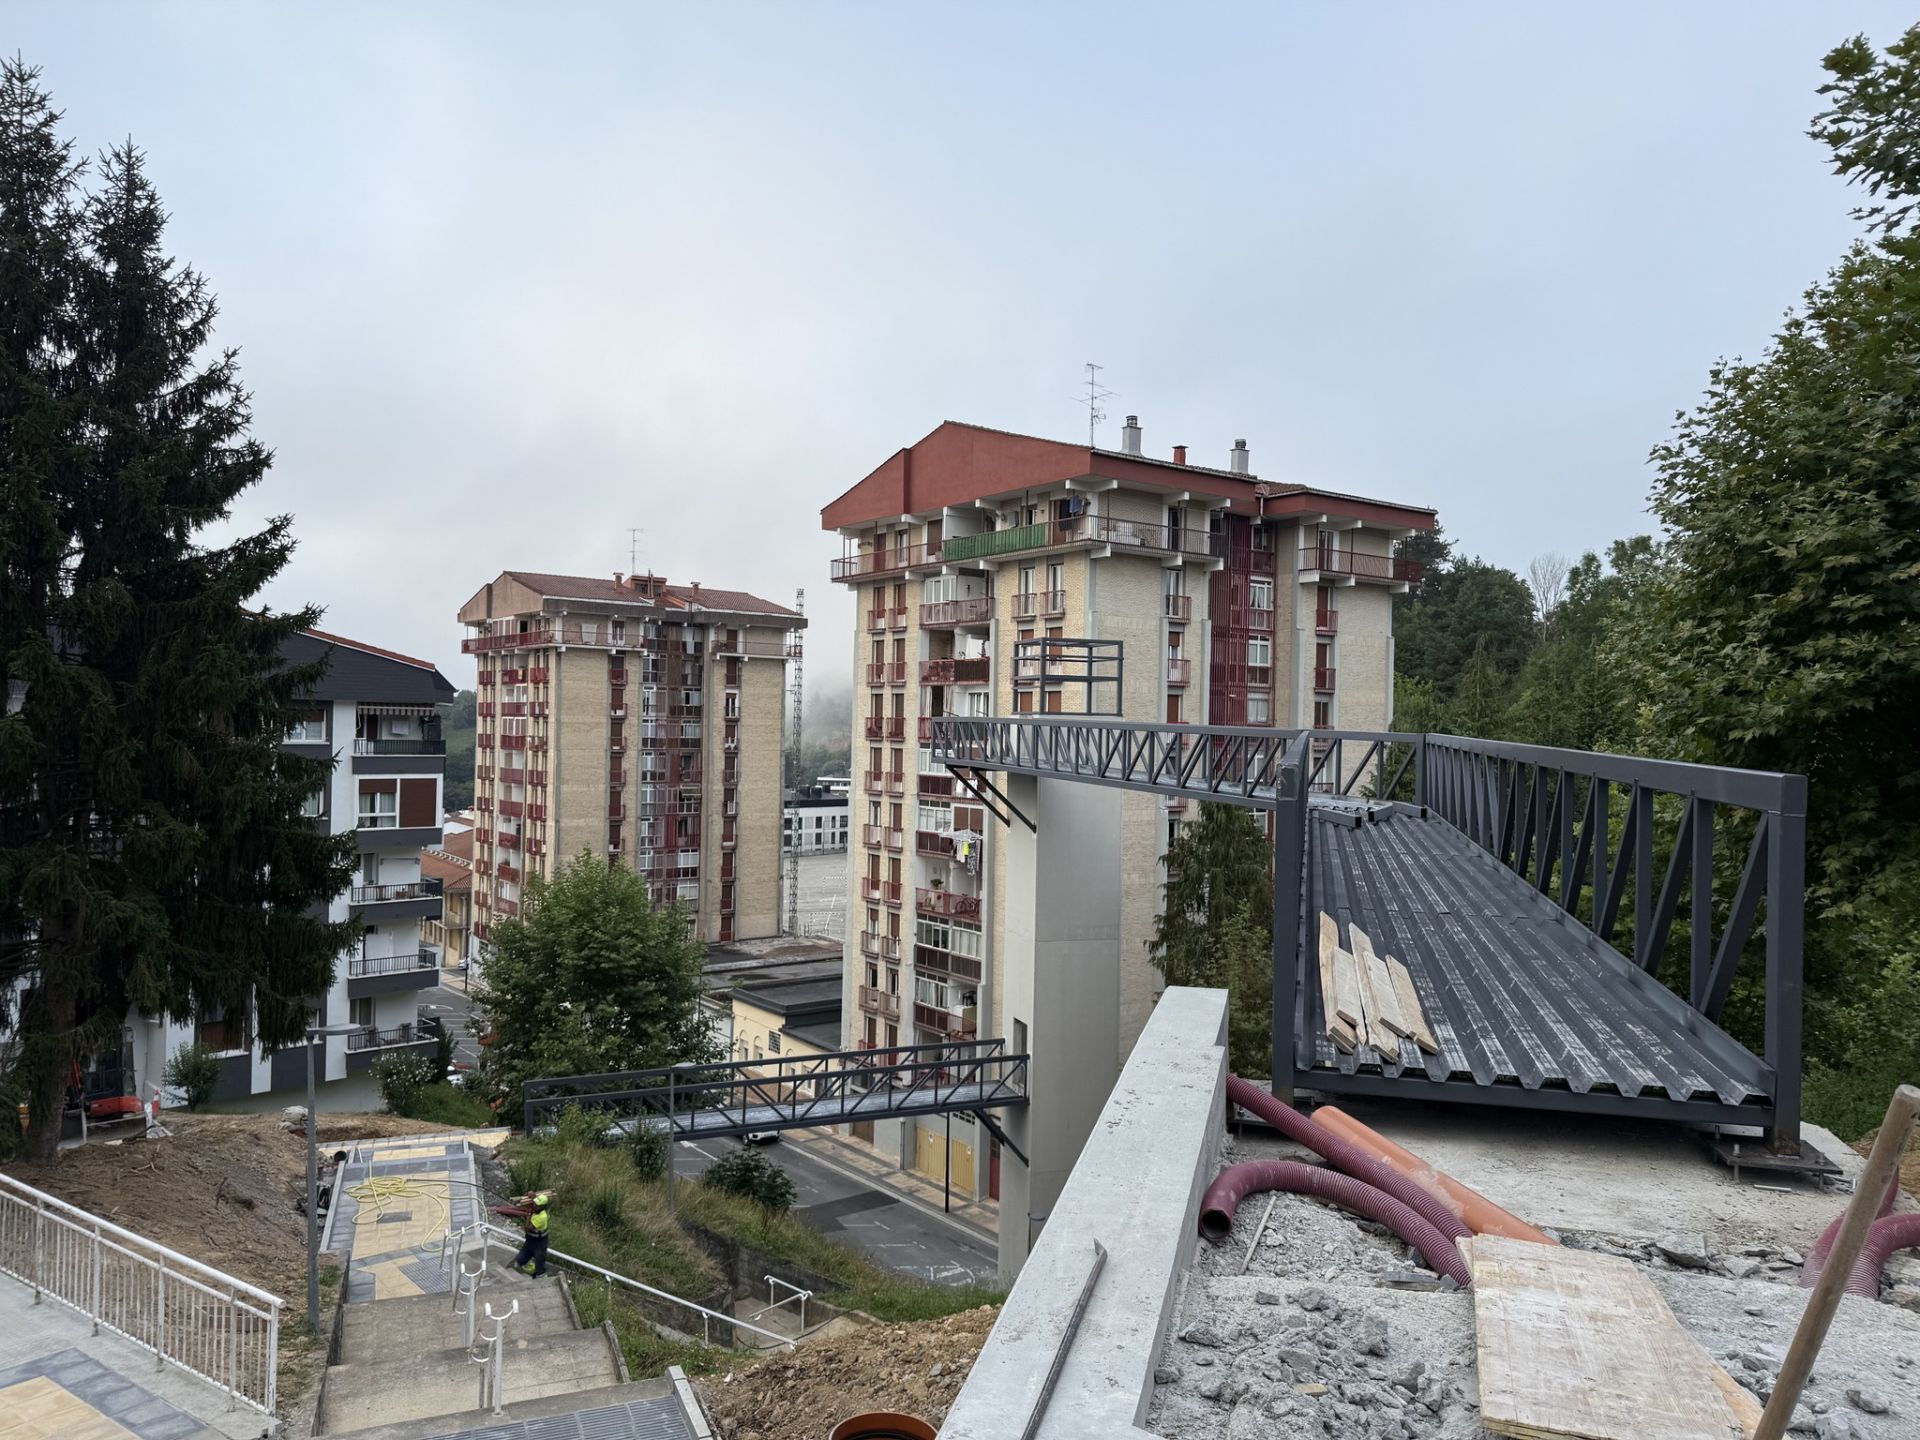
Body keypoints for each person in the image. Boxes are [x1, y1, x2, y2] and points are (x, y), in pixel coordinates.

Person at [512, 1191, 551, 1277]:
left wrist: (529, 1214)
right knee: (522, 1256)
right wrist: (531, 1195)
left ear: (542, 1206)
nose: (534, 1206)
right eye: (535, 1204)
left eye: (537, 1205)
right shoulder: (537, 1208)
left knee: (539, 1258)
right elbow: (534, 1200)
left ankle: (540, 1276)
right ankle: (524, 1263)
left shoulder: (542, 1217)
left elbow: (527, 1228)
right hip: (531, 1239)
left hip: (539, 1241)